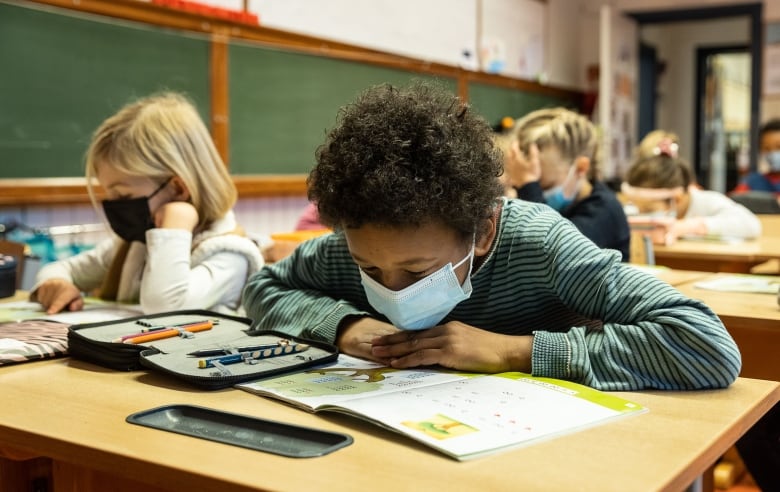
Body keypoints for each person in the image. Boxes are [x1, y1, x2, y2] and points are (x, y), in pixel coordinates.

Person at [243, 82, 741, 391]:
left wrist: (511, 351)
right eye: (371, 271)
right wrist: (345, 326)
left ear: (480, 231)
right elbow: (262, 288)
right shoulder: (352, 244)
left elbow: (705, 344)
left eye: (417, 271)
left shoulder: (543, 245)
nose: (391, 288)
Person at [31, 92, 263, 315]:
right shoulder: (134, 244)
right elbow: (60, 269)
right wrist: (55, 284)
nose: (115, 207)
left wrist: (174, 229)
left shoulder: (229, 254)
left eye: (124, 197)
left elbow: (164, 307)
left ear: (179, 188)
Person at [503, 107, 630, 261]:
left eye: (543, 185)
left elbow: (547, 255)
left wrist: (529, 187)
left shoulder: (605, 210)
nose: (535, 192)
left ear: (581, 168)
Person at [622, 131, 761, 245]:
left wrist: (689, 227)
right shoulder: (637, 207)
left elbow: (751, 225)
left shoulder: (707, 201)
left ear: (676, 200)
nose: (640, 213)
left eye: (648, 210)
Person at [731, 119, 780, 213]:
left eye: (779, 147)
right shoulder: (752, 182)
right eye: (766, 148)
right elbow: (732, 202)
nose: (772, 153)